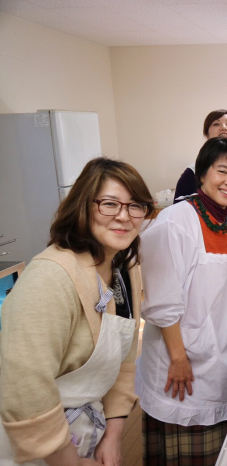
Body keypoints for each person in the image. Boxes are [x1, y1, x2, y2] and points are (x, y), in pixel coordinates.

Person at [0, 158, 153, 465]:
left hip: (88, 429)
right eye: (109, 204)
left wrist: (113, 434)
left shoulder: (124, 266)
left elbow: (124, 361)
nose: (124, 216)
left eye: (135, 205)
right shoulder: (51, 277)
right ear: (83, 206)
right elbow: (23, 386)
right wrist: (67, 460)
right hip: (38, 445)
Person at [136, 137, 227, 464]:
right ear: (202, 174)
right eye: (222, 171)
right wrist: (178, 357)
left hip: (214, 351)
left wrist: (226, 339)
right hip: (176, 358)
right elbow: (161, 300)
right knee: (181, 445)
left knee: (215, 448)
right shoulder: (174, 222)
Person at [174, 109, 227, 203]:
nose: (224, 127)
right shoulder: (192, 172)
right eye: (216, 124)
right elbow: (179, 211)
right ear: (206, 133)